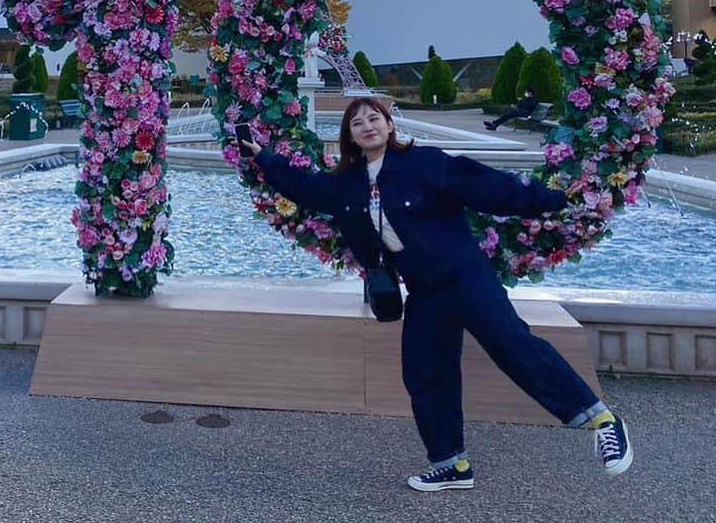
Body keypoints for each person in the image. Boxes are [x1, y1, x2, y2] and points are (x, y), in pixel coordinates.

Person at [241, 96, 632, 492]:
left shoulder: (425, 163)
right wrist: (264, 157)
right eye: (357, 123)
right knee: (426, 373)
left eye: (374, 118)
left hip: (465, 276)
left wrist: (555, 199)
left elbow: (489, 188)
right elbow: (304, 188)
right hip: (424, 290)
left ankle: (601, 421)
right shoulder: (346, 185)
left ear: (390, 126)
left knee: (512, 345)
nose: (367, 126)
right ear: (350, 137)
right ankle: (452, 464)